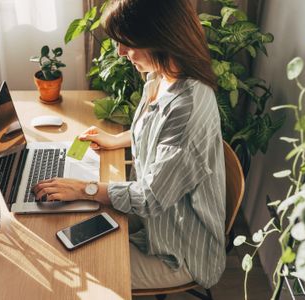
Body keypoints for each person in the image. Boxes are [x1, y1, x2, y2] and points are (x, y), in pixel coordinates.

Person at [33, 0, 226, 290]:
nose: (121, 52)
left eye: (127, 44)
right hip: (156, 219)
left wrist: (83, 188)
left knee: (67, 273)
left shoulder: (187, 108)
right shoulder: (163, 77)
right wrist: (114, 140)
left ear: (160, 39)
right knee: (60, 230)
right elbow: (157, 136)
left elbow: (150, 197)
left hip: (179, 250)